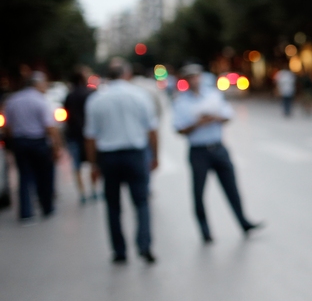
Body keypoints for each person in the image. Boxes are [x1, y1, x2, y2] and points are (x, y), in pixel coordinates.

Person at [173, 64, 263, 243]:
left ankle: (243, 222)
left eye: (196, 76)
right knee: (198, 192)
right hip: (198, 151)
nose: (194, 80)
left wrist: (214, 117)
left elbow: (228, 116)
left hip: (218, 148)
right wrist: (197, 123)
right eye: (190, 77)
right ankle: (205, 231)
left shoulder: (213, 95)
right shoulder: (181, 102)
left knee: (232, 188)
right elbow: (178, 129)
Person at [84, 58, 159, 263]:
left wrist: (93, 164)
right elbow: (152, 130)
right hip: (134, 154)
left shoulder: (97, 99)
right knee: (142, 202)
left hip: (109, 157)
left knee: (113, 205)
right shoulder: (139, 96)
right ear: (127, 74)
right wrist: (155, 156)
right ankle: (144, 245)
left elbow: (90, 137)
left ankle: (119, 251)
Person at [3, 71, 60, 222]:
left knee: (24, 177)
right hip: (38, 142)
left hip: (20, 142)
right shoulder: (40, 101)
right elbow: (50, 127)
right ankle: (46, 207)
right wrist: (56, 147)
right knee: (44, 176)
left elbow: (8, 127)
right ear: (37, 84)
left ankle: (26, 212)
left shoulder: (13, 100)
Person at [63, 69, 100, 203]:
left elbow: (65, 115)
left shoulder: (69, 96)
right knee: (94, 163)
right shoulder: (91, 93)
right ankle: (94, 189)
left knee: (76, 165)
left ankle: (82, 193)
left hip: (74, 134)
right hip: (90, 135)